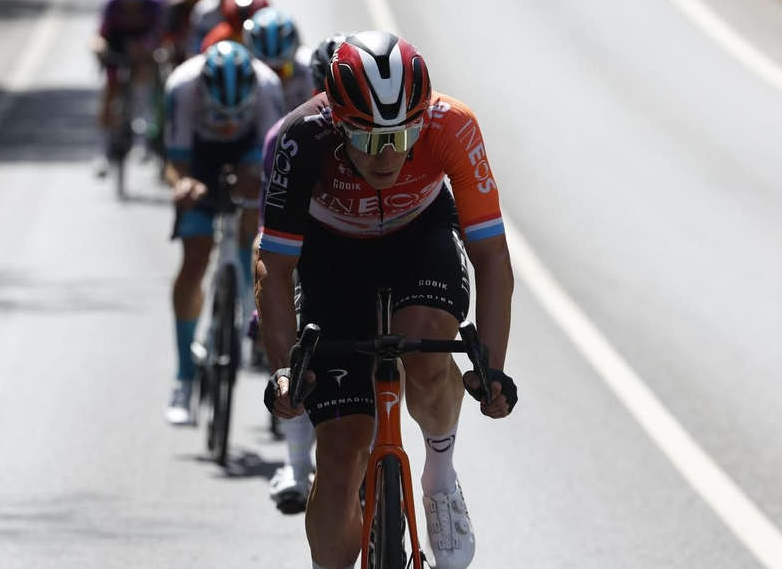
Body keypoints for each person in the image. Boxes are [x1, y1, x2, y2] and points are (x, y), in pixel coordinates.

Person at [257, 31, 517, 569]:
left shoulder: (452, 124)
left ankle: (440, 474)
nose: (390, 153)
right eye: (371, 139)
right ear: (337, 123)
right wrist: (284, 369)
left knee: (427, 351)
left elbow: (491, 258)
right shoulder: (301, 137)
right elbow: (274, 267)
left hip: (417, 237)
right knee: (341, 454)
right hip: (332, 256)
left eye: (404, 135)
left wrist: (492, 367)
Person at [162, 40, 285, 425]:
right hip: (198, 156)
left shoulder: (267, 87)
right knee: (195, 257)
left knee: (256, 227)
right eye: (221, 115)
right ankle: (183, 375)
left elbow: (277, 163)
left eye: (237, 115)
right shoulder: (181, 86)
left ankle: (253, 307)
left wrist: (257, 190)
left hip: (251, 151)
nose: (230, 123)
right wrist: (183, 186)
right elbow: (174, 163)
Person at [257, 31, 345, 514]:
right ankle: (296, 460)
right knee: (298, 354)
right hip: (303, 242)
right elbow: (268, 230)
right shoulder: (287, 135)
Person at [91, 0, 165, 176]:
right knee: (110, 89)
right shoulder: (112, 3)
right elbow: (102, 35)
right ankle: (102, 152)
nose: (131, 2)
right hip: (117, 43)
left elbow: (160, 34)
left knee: (143, 77)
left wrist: (147, 49)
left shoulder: (154, 2)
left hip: (144, 45)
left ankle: (143, 140)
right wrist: (99, 48)